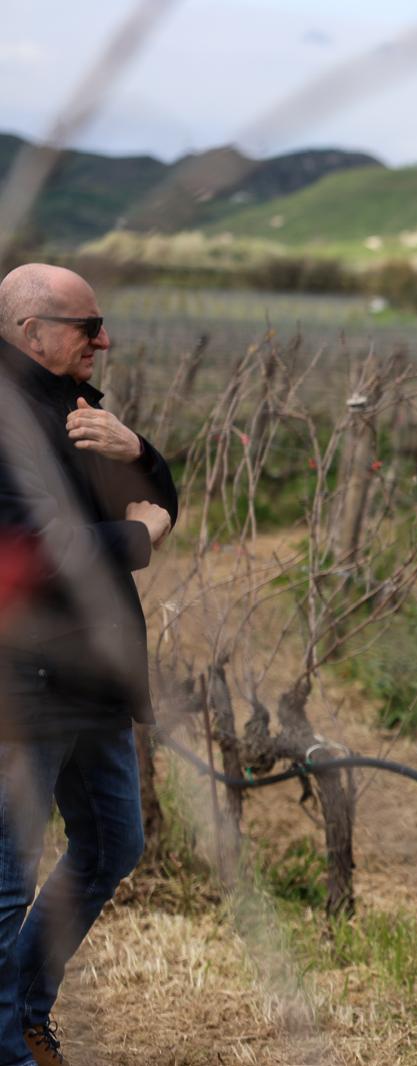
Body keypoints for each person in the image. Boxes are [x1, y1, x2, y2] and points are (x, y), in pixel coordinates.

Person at [0, 264, 178, 1066]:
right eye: (87, 325)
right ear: (29, 330)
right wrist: (138, 539)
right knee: (5, 885)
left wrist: (139, 449)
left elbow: (156, 492)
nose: (103, 340)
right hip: (23, 689)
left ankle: (25, 1014)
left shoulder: (74, 405)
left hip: (94, 682)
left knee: (112, 844)